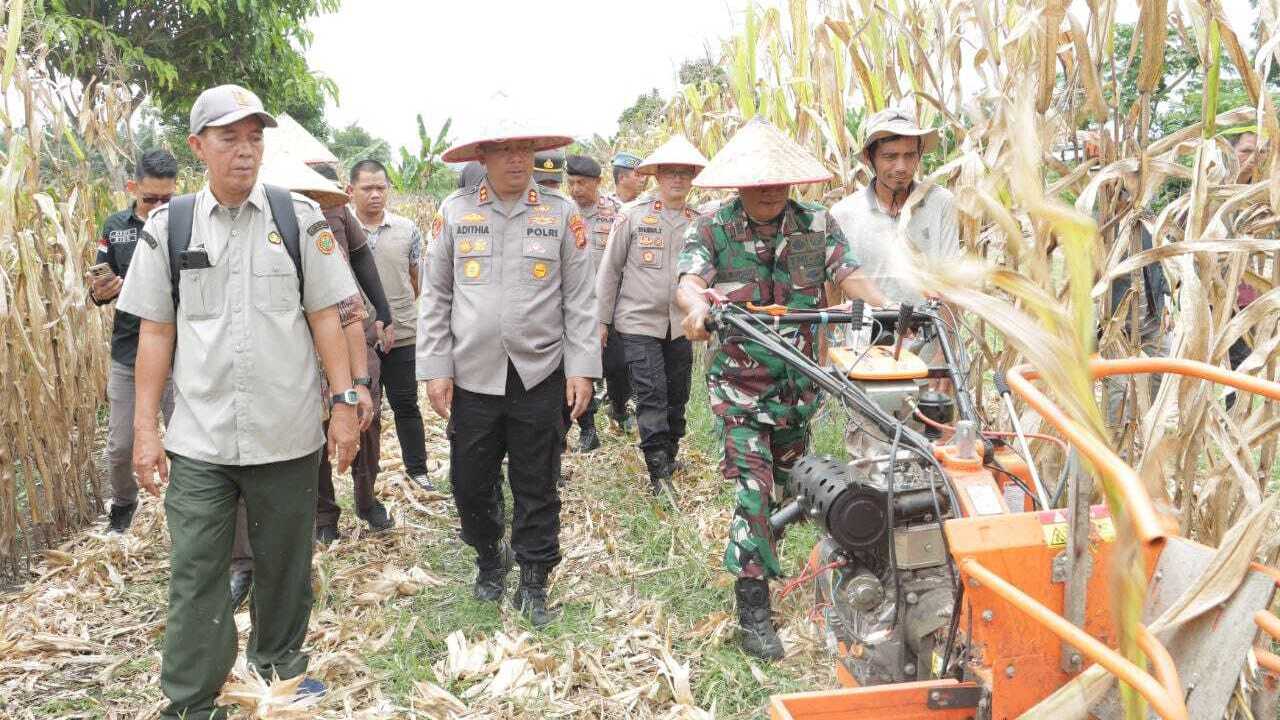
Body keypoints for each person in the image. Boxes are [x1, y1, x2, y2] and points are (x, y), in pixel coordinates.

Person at [118, 84, 360, 719]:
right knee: (197, 573)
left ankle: (278, 675)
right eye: (230, 137)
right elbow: (155, 332)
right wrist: (146, 430)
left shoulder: (299, 219)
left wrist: (344, 402)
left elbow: (326, 319)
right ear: (199, 147)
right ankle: (192, 701)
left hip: (286, 432)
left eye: (255, 136)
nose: (246, 150)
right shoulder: (168, 228)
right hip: (200, 438)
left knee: (285, 567)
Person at [673, 117, 887, 661]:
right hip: (740, 388)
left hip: (798, 386)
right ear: (736, 183)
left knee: (795, 486)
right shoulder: (711, 227)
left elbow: (849, 273)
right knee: (754, 488)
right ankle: (754, 609)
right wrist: (698, 309)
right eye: (755, 180)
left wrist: (888, 309)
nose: (767, 189)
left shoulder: (817, 223)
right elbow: (689, 283)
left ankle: (801, 569)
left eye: (777, 179)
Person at [418, 121, 599, 626]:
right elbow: (436, 295)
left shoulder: (561, 215)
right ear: (483, 155)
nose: (516, 160)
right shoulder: (455, 213)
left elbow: (581, 299)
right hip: (473, 376)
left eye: (524, 149)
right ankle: (487, 556)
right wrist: (436, 367)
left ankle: (535, 576)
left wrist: (582, 368)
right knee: (469, 482)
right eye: (503, 151)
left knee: (536, 481)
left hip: (538, 373)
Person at [596, 137, 708, 494]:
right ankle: (658, 471)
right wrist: (602, 320)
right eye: (670, 173)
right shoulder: (632, 216)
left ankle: (670, 451)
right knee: (651, 394)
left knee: (678, 394)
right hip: (638, 322)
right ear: (657, 176)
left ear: (693, 178)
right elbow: (610, 270)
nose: (678, 180)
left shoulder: (699, 222)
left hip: (681, 325)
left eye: (685, 174)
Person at [90, 149, 178, 534]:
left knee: (186, 440)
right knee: (120, 447)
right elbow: (98, 291)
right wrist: (102, 290)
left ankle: (188, 505)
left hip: (179, 355)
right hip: (128, 351)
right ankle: (124, 504)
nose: (159, 207)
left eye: (166, 199)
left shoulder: (185, 223)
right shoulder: (115, 227)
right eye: (150, 199)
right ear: (132, 188)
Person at [348, 159, 434, 490]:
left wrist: (396, 312)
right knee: (366, 413)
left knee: (406, 405)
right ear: (350, 190)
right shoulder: (341, 230)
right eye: (366, 188)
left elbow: (416, 281)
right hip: (358, 337)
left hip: (403, 335)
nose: (374, 195)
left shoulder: (407, 230)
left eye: (380, 188)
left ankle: (418, 470)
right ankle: (368, 480)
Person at [830, 108, 960, 307]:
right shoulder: (843, 214)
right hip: (867, 335)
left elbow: (951, 284)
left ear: (919, 154)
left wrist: (947, 334)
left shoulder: (940, 203)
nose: (901, 167)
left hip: (928, 332)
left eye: (909, 156)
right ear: (868, 157)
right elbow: (832, 290)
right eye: (890, 157)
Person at [565, 154, 631, 449]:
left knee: (617, 364)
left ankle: (619, 408)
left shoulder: (617, 212)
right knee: (580, 366)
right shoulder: (563, 213)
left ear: (598, 183)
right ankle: (588, 429)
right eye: (572, 182)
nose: (576, 189)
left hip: (610, 304)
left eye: (582, 183)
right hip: (573, 305)